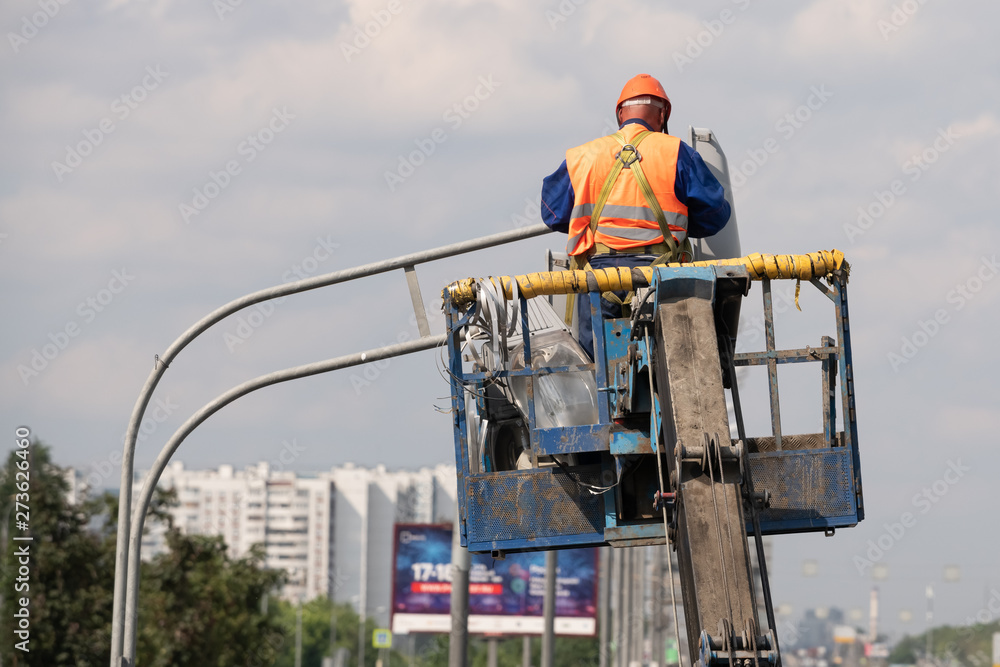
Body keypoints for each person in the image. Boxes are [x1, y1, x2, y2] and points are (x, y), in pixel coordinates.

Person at [540, 74, 732, 356]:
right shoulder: (676, 152)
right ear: (663, 114)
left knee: (600, 375)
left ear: (620, 113)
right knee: (666, 365)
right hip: (659, 277)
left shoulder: (583, 156)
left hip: (597, 277)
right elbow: (716, 215)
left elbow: (552, 213)